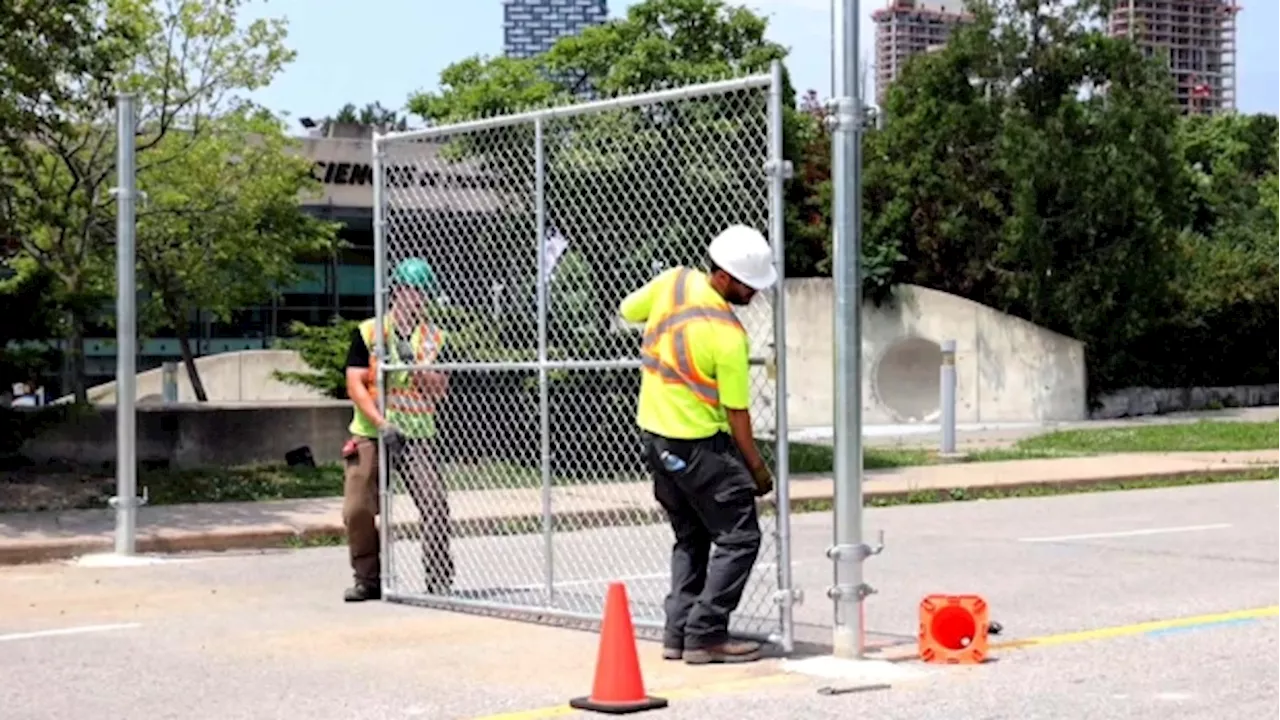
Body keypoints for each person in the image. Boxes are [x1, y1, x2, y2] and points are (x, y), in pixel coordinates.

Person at [618, 224, 779, 665]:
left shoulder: (673, 282)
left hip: (655, 441)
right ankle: (706, 634)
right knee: (740, 535)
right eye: (749, 285)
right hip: (700, 448)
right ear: (725, 277)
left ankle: (679, 634)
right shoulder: (728, 335)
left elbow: (629, 309)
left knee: (691, 537)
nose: (754, 294)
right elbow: (737, 416)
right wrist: (756, 469)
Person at [340, 257, 455, 603]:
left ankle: (438, 582)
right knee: (357, 509)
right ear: (397, 291)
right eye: (410, 290)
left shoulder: (434, 338)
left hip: (417, 433)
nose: (416, 299)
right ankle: (368, 579)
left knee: (434, 505)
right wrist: (381, 423)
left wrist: (413, 363)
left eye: (422, 293)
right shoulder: (370, 332)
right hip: (372, 431)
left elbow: (440, 390)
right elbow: (354, 383)